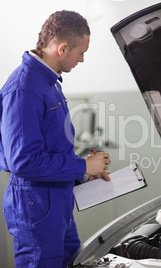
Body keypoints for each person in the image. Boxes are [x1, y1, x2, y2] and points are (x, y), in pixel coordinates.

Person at [0, 10, 111, 268]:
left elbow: (52, 148)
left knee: (75, 262)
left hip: (57, 204)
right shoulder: (24, 88)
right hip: (35, 207)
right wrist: (82, 166)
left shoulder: (50, 84)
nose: (82, 59)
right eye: (81, 52)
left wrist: (83, 172)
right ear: (62, 48)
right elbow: (23, 162)